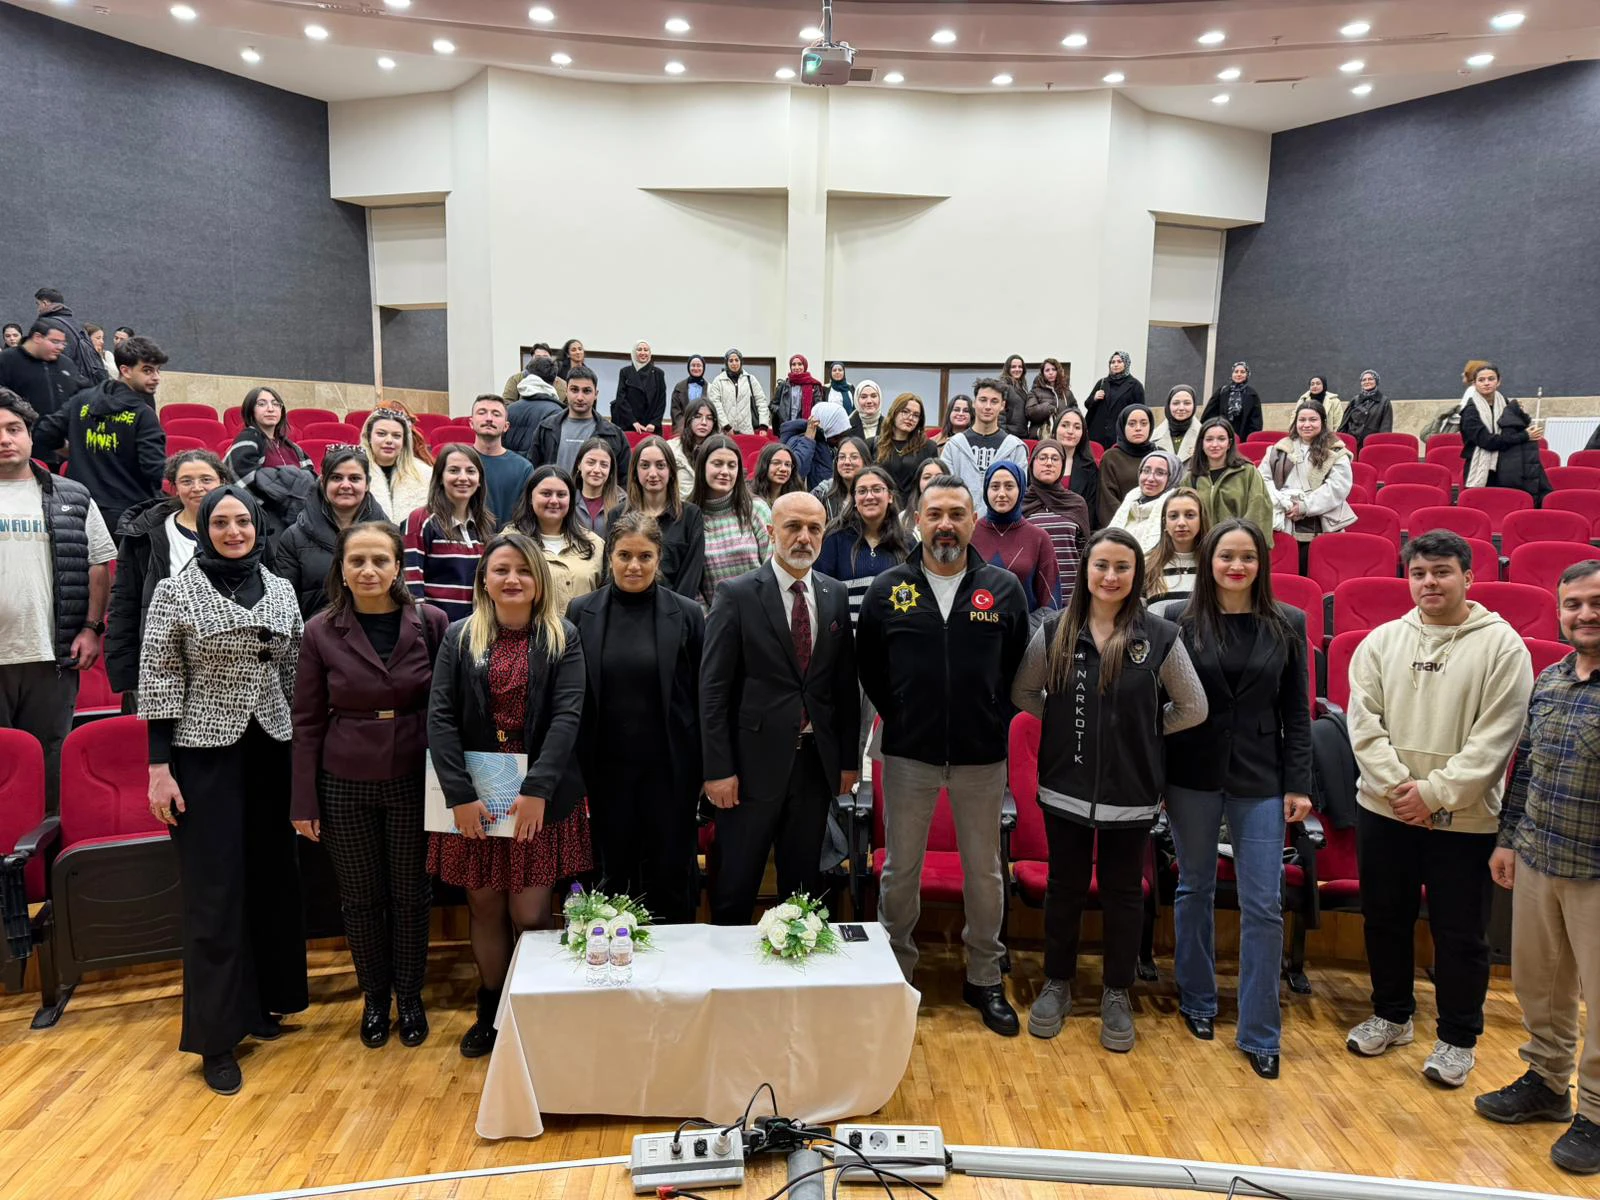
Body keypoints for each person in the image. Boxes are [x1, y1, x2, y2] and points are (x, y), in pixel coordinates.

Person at [1345, 531, 1534, 1089]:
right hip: (1384, 810)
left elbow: (1496, 740)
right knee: (1384, 918)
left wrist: (1434, 794)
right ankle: (1392, 1015)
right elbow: (1363, 724)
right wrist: (1401, 789)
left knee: (1460, 933)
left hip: (1466, 819)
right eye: (1420, 573)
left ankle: (1456, 1039)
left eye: (1442, 572)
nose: (1430, 582)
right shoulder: (1381, 641)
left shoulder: (1503, 647)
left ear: (1469, 577)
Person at [139, 485, 307, 1095]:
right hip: (201, 754)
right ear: (204, 527)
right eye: (222, 522)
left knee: (269, 878)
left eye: (242, 521)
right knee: (214, 891)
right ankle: (216, 1037)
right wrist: (159, 767)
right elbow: (158, 675)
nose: (233, 531)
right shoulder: (174, 591)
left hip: (270, 748)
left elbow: (290, 673)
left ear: (257, 526)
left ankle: (262, 1006)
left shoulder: (281, 588)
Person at [1013, 527, 1206, 1047]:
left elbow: (1193, 707)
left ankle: (1117, 993)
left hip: (1132, 792)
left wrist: (1144, 730)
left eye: (1122, 567)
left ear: (1136, 574)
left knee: (1124, 893)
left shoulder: (1160, 637)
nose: (1111, 576)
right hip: (1064, 786)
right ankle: (1057, 982)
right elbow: (1025, 690)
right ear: (1087, 571)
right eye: (1102, 566)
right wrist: (1060, 726)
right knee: (1065, 888)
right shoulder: (1054, 631)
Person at [857, 475, 1030, 1034]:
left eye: (957, 513)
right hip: (909, 754)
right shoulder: (888, 588)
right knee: (900, 871)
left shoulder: (1002, 588)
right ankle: (896, 974)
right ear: (916, 520)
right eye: (935, 514)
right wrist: (906, 711)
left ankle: (983, 976)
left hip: (982, 757)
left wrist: (986, 716)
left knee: (985, 873)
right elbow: (871, 671)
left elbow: (1017, 671)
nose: (946, 524)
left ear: (972, 519)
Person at [1158, 519, 1311, 1079]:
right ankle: (1197, 1000)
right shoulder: (1177, 620)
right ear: (1209, 561)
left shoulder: (1288, 623)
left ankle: (1260, 1030)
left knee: (1263, 904)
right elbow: (1162, 704)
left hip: (1261, 778)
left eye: (1247, 556)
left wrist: (1300, 783)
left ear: (1260, 564)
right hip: (1191, 775)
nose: (1237, 566)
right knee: (1194, 887)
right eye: (1226, 556)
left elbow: (1297, 712)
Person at [426, 533, 589, 1058]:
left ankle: (535, 1012)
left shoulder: (563, 636)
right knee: (484, 906)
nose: (512, 579)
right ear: (484, 581)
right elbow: (441, 718)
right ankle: (492, 1013)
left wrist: (538, 790)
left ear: (539, 581)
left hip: (539, 794)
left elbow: (568, 716)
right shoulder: (458, 636)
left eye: (523, 569)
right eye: (501, 570)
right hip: (476, 792)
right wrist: (459, 795)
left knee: (531, 910)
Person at [290, 522, 447, 1050]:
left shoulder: (431, 622)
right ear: (341, 568)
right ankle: (375, 998)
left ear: (398, 566)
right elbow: (307, 720)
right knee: (360, 899)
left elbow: (449, 708)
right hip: (344, 780)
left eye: (380, 559)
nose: (369, 570)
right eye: (357, 561)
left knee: (411, 895)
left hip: (413, 776)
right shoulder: (319, 631)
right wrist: (303, 799)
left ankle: (412, 995)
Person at [1476, 560, 1600, 1175]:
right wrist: (1507, 838)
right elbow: (1525, 768)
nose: (1585, 614)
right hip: (1540, 856)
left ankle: (1598, 1114)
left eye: (1595, 602)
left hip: (1597, 870)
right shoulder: (1549, 680)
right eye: (1573, 604)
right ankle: (1549, 1085)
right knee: (1539, 984)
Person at [700, 492, 859, 923]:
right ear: (771, 532)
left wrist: (847, 761)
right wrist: (717, 769)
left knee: (803, 891)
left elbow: (843, 687)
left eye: (814, 529)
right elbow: (713, 691)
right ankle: (729, 984)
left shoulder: (834, 593)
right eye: (793, 527)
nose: (804, 537)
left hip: (813, 768)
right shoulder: (736, 594)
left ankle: (794, 983)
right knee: (735, 887)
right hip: (748, 770)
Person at [568, 512, 706, 924]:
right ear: (609, 555)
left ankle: (676, 969)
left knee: (669, 872)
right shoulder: (581, 611)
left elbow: (702, 695)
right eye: (624, 555)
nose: (634, 565)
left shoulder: (686, 614)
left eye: (645, 556)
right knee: (614, 874)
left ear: (659, 556)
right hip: (607, 772)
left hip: (670, 770)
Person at [0, 390, 115, 813]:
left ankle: (40, 861)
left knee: (50, 764)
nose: (5, 439)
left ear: (31, 436)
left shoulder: (73, 495)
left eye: (14, 429)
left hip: (52, 656)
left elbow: (98, 565)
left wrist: (91, 627)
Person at [107, 451, 231, 700]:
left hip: (228, 666)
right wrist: (128, 674)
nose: (197, 488)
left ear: (222, 482)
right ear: (174, 487)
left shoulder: (245, 530)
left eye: (206, 479)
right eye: (187, 481)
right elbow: (125, 605)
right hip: (164, 665)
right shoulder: (145, 535)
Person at [31, 335, 168, 533]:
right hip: (128, 517)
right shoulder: (144, 414)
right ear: (125, 370)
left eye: (157, 370)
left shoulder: (82, 400)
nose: (156, 377)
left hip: (78, 509)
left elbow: (44, 432)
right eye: (147, 370)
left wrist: (74, 451)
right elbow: (153, 471)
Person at [274, 447, 387, 618]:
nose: (345, 485)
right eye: (336, 478)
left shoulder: (388, 535)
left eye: (355, 478)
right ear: (323, 482)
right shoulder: (294, 537)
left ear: (367, 484)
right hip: (315, 637)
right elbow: (283, 604)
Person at [402, 446, 493, 622]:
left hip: (475, 629)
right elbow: (411, 583)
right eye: (453, 470)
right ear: (440, 478)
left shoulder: (484, 525)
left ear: (479, 479)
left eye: (471, 471)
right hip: (434, 631)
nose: (463, 477)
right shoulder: (421, 519)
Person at [1260, 400, 1357, 559]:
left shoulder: (1336, 451)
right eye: (1302, 420)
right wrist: (1279, 500)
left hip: (1320, 525)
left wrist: (1305, 506)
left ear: (1323, 422)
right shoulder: (1278, 450)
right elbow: (1263, 478)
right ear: (1295, 422)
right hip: (1282, 522)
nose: (1307, 424)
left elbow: (1337, 488)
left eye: (1313, 420)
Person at [817, 465, 913, 624]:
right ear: (854, 499)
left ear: (890, 496)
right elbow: (821, 593)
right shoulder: (834, 539)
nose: (869, 496)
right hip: (847, 642)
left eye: (877, 489)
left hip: (895, 638)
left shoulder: (907, 541)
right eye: (861, 491)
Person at [612, 436, 705, 599]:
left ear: (671, 472)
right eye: (645, 465)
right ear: (635, 471)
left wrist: (673, 612)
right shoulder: (617, 515)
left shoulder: (690, 516)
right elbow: (612, 570)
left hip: (675, 613)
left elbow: (691, 575)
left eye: (660, 465)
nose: (653, 473)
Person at [972, 461, 1060, 630]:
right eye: (995, 486)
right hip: (978, 635)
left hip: (1025, 638)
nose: (1002, 493)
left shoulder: (1039, 538)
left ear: (1021, 489)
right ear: (985, 490)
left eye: (1009, 486)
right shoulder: (970, 534)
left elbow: (1050, 600)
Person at [505, 466, 605, 612]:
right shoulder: (509, 542)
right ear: (530, 498)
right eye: (546, 494)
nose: (553, 501)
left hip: (583, 633)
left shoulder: (594, 544)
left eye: (561, 495)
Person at [692, 435, 772, 605]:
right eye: (717, 464)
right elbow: (691, 584)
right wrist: (709, 621)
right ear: (702, 467)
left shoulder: (756, 509)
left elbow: (772, 566)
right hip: (715, 622)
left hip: (760, 613)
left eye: (731, 465)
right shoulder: (690, 516)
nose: (725, 472)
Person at [1460, 363, 1550, 503]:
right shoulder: (1470, 411)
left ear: (1498, 381)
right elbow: (1487, 442)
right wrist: (1524, 436)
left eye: (1491, 379)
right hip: (1482, 469)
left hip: (1506, 466)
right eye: (1481, 380)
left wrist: (1518, 412)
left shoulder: (1505, 404)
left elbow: (1516, 427)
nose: (1486, 383)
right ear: (1474, 384)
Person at [1022, 440, 1090, 613]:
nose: (1048, 463)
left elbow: (1084, 552)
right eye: (1042, 458)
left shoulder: (1076, 503)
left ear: (1062, 465)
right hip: (1033, 596)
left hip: (1071, 596)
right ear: (1032, 463)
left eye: (1055, 458)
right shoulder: (1020, 503)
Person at [945, 379, 1029, 519]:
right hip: (960, 525)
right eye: (983, 400)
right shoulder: (954, 446)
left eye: (994, 401)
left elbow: (1019, 492)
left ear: (1002, 405)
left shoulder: (1015, 448)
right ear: (974, 403)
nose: (988, 406)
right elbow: (945, 490)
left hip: (1001, 527)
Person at [532, 366, 630, 480]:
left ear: (596, 394)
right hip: (555, 497)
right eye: (574, 390)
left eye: (586, 391)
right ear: (566, 391)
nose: (580, 397)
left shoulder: (614, 435)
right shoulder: (546, 428)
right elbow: (534, 472)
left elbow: (625, 478)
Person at [1188, 418, 1276, 544]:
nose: (1215, 444)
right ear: (1201, 443)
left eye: (1221, 439)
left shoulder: (1248, 472)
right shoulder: (1191, 477)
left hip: (1238, 547)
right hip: (1202, 550)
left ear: (1229, 444)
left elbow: (1258, 510)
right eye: (1209, 439)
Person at [0, 319, 87, 426]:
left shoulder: (65, 363)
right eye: (55, 342)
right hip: (23, 435)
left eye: (63, 343)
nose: (60, 347)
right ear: (37, 337)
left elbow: (83, 392)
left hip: (62, 436)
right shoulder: (7, 360)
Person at [466, 395, 534, 525]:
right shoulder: (458, 463)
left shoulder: (523, 468)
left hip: (508, 541)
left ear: (506, 426)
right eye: (482, 413)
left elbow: (526, 515)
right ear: (471, 423)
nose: (489, 418)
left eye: (496, 414)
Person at [360, 408, 432, 524]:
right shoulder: (353, 471)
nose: (389, 440)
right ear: (368, 437)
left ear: (404, 441)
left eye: (396, 436)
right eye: (381, 434)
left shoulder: (426, 475)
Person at [224, 386, 313, 478]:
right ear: (250, 410)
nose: (271, 409)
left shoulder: (294, 448)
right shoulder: (246, 441)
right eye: (262, 404)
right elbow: (241, 479)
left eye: (275, 404)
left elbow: (311, 481)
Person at [1107, 450, 1182, 554]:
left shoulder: (1174, 512)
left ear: (1172, 478)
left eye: (1160, 473)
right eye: (1146, 471)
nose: (1150, 478)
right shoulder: (1129, 503)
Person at [1096, 405, 1159, 526]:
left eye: (1144, 423)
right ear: (1122, 426)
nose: (1138, 428)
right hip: (1122, 526)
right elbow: (1107, 500)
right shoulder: (1111, 457)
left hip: (1154, 526)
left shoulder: (1160, 455)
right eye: (1132, 424)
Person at [32, 287, 107, 383]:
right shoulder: (76, 324)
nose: (38, 309)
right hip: (84, 382)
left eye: (38, 304)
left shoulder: (46, 324)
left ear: (45, 303)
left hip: (62, 383)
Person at [1144, 487, 1209, 598]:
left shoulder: (1214, 564)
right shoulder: (1147, 564)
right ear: (1165, 523)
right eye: (1173, 516)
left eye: (1189, 515)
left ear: (1201, 519)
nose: (1181, 523)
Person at [780, 401, 855, 495]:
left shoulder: (830, 446)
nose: (840, 441)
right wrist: (808, 441)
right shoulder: (799, 440)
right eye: (837, 436)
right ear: (827, 429)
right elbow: (795, 473)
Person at [876, 393, 938, 502]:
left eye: (916, 415)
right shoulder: (874, 444)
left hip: (914, 508)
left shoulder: (928, 447)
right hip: (881, 506)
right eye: (905, 412)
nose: (910, 418)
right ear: (894, 413)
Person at [505, 357, 565, 459]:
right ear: (554, 381)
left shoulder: (508, 410)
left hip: (510, 471)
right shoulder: (557, 412)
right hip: (539, 473)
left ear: (527, 376)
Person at [1084, 351, 1146, 449]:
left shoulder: (1135, 386)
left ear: (1126, 364)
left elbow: (1141, 411)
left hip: (1119, 435)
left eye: (1119, 361)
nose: (1115, 365)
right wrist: (1094, 398)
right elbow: (1087, 404)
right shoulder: (1102, 382)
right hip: (1097, 435)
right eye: (1112, 362)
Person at [810, 433, 869, 523]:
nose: (847, 462)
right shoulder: (823, 492)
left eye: (854, 457)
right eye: (842, 457)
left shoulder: (875, 493)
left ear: (865, 461)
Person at [572, 437, 624, 540]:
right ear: (579, 465)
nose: (597, 470)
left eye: (604, 465)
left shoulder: (623, 502)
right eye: (591, 463)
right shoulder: (566, 499)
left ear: (610, 470)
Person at [708, 349, 770, 434]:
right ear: (726, 363)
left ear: (741, 362)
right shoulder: (718, 381)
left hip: (746, 431)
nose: (734, 363)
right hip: (725, 433)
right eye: (731, 361)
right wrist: (726, 426)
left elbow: (761, 401)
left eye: (737, 360)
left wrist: (763, 426)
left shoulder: (750, 379)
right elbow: (715, 405)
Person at [612, 340, 667, 435]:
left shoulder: (659, 374)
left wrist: (654, 422)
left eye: (646, 350)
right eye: (639, 349)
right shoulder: (625, 372)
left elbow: (661, 401)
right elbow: (621, 398)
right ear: (634, 352)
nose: (643, 353)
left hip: (651, 427)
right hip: (629, 425)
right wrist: (633, 421)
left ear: (650, 353)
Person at [1054, 408, 1100, 518]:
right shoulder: (1039, 462)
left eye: (1077, 427)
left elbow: (1091, 511)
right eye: (1064, 425)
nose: (1070, 431)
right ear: (1055, 429)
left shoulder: (1090, 468)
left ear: (1083, 433)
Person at [1202, 362, 1263, 441]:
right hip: (1222, 433)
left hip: (1243, 436)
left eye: (1242, 372)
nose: (1239, 374)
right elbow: (1210, 413)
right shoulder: (1223, 391)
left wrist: (1250, 438)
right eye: (1236, 371)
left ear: (1247, 374)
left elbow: (1256, 420)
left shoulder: (1252, 394)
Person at [673, 399, 719, 500]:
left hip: (709, 507)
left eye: (709, 418)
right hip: (679, 506)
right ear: (689, 419)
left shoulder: (719, 449)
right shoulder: (672, 448)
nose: (704, 422)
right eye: (698, 417)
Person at [500, 342, 566, 408]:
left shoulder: (562, 384)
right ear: (531, 359)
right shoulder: (516, 379)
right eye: (538, 357)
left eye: (545, 357)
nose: (542, 360)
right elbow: (507, 403)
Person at [1340, 370, 1393, 450]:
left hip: (1372, 445)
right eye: (1364, 380)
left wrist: (1382, 446)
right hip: (1352, 444)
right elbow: (1344, 423)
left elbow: (1386, 428)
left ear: (1376, 381)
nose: (1367, 382)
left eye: (1370, 379)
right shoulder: (1355, 400)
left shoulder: (1384, 401)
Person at [1027, 358, 1076, 440]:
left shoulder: (1067, 393)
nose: (1051, 373)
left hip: (1062, 436)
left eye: (1054, 369)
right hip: (1040, 437)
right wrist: (1048, 408)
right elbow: (1030, 412)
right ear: (1043, 373)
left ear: (1058, 371)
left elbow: (1075, 412)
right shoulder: (1035, 392)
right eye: (1047, 370)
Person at [902, 456, 949, 539]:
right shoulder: (903, 517)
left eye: (939, 477)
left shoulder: (957, 515)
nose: (933, 481)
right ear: (918, 483)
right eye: (927, 477)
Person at [774, 353, 827, 425]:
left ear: (804, 366)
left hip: (806, 426)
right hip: (786, 425)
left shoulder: (814, 385)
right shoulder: (784, 385)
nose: (796, 367)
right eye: (794, 364)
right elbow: (773, 404)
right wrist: (781, 412)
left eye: (800, 364)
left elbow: (819, 406)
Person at [1152, 385, 1200, 463]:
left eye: (1187, 403)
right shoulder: (1153, 437)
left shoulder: (1204, 437)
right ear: (1168, 405)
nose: (1181, 408)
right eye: (1175, 403)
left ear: (1194, 406)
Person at [753, 442, 802, 508]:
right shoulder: (751, 498)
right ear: (765, 465)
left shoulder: (797, 497)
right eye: (776, 463)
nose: (783, 469)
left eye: (787, 464)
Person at [669, 355, 712, 430]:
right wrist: (683, 426)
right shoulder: (679, 387)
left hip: (703, 428)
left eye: (699, 366)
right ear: (688, 367)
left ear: (703, 368)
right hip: (683, 429)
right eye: (693, 365)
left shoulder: (710, 388)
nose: (696, 368)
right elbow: (675, 410)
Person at [999, 355, 1032, 439]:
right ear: (1008, 369)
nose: (1017, 369)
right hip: (1009, 435)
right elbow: (1000, 412)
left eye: (1020, 367)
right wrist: (1003, 434)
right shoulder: (1003, 386)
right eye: (1013, 367)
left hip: (1022, 434)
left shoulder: (1022, 388)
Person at [848, 379, 884, 449]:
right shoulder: (847, 427)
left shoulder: (890, 427)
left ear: (880, 399)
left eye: (873, 396)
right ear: (857, 400)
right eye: (864, 397)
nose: (869, 401)